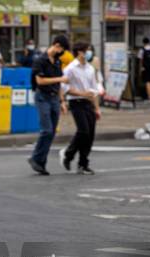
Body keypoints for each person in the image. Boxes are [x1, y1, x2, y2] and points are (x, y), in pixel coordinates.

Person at [28, 35, 70, 175]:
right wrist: (60, 79)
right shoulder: (40, 60)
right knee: (46, 130)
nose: (60, 53)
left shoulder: (57, 62)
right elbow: (40, 81)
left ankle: (40, 162)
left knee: (52, 132)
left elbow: (58, 85)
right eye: (61, 49)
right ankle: (36, 158)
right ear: (56, 45)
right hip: (42, 97)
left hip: (54, 99)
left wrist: (62, 101)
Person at [59, 42, 101, 176]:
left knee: (90, 135)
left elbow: (94, 89)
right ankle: (68, 154)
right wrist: (82, 94)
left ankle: (83, 164)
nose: (89, 53)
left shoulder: (90, 68)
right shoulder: (70, 69)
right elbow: (64, 88)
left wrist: (97, 108)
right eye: (87, 50)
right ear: (80, 52)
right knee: (83, 131)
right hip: (76, 103)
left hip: (89, 103)